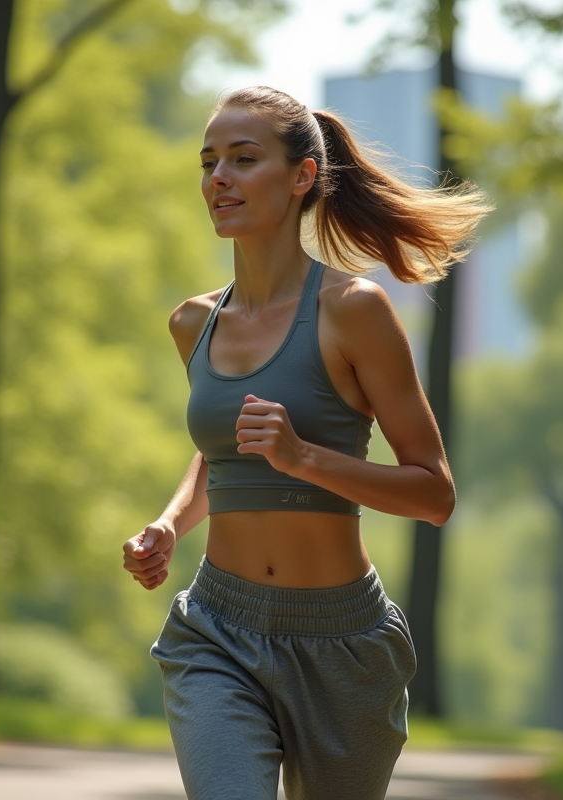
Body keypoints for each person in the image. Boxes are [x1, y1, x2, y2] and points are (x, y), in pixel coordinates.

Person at [121, 86, 489, 800]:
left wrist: (306, 459)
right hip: (217, 632)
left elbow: (435, 492)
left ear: (302, 176)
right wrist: (170, 523)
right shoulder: (193, 324)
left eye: (243, 159)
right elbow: (223, 452)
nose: (218, 177)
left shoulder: (354, 312)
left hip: (342, 643)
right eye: (209, 162)